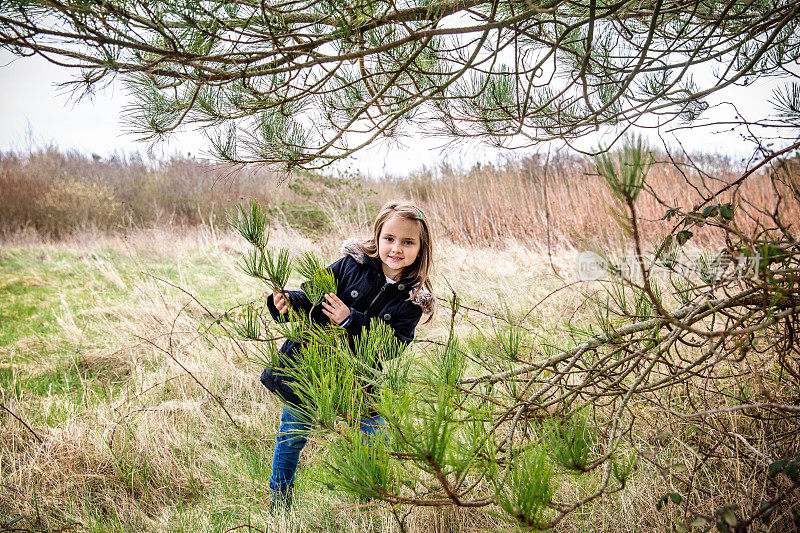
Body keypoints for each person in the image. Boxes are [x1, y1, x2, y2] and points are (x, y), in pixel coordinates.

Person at [260, 200, 435, 510]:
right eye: (389, 239)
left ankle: (369, 502)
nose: (396, 248)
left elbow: (395, 345)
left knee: (373, 438)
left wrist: (351, 319)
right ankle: (280, 501)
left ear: (421, 249)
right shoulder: (350, 266)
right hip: (311, 364)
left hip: (362, 377)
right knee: (293, 435)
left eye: (408, 242)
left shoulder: (413, 298)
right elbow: (313, 296)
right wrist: (286, 302)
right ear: (378, 237)